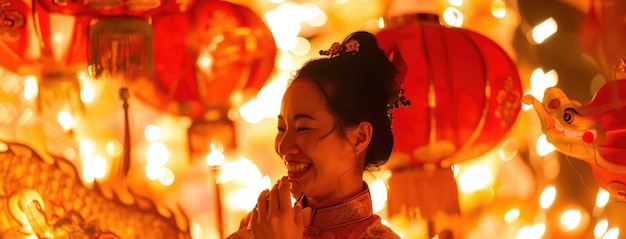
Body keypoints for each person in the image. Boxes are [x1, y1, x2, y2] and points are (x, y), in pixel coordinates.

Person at [227, 31, 405, 239]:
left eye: (304, 128)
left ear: (359, 138)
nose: (284, 147)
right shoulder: (258, 226)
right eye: (282, 129)